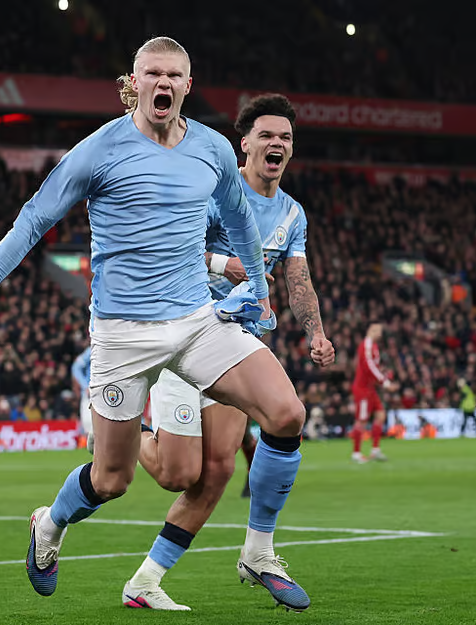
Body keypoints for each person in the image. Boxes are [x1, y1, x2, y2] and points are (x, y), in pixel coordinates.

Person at [0, 37, 312, 611]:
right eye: (152, 73)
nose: (163, 83)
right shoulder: (100, 150)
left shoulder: (211, 149)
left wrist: (258, 290)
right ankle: (50, 524)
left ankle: (258, 551)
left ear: (188, 85)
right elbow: (32, 220)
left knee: (287, 413)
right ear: (132, 82)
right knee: (112, 480)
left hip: (197, 322)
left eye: (174, 75)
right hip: (123, 336)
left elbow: (240, 220)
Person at [126, 93, 334, 611]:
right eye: (266, 134)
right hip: (188, 334)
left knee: (218, 471)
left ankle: (147, 581)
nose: (276, 143)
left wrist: (316, 331)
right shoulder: (217, 191)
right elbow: (171, 248)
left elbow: (298, 280)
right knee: (179, 474)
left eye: (284, 137)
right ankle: (121, 428)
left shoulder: (291, 213)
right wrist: (224, 265)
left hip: (236, 350)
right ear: (244, 143)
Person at [351, 322, 396, 463]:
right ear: (372, 330)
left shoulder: (374, 346)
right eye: (379, 331)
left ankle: (375, 450)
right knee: (361, 421)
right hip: (362, 389)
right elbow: (368, 366)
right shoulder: (367, 344)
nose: (381, 334)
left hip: (370, 388)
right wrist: (385, 382)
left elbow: (372, 367)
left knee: (381, 415)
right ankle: (356, 453)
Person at [71, 344, 92, 449]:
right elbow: (76, 367)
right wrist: (85, 386)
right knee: (89, 427)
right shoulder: (92, 350)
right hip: (91, 394)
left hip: (108, 392)